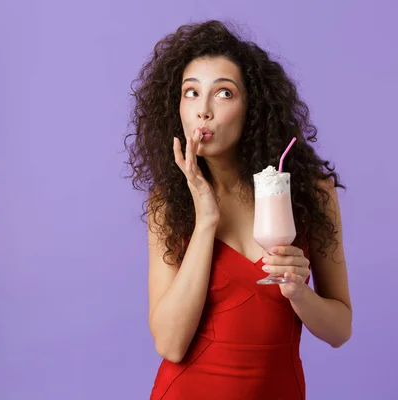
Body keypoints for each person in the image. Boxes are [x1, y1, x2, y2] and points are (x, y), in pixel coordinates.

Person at [125, 19, 352, 400]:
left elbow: (339, 331)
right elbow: (170, 344)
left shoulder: (312, 195)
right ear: (176, 107)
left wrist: (300, 293)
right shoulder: (167, 205)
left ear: (253, 107)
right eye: (191, 93)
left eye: (224, 94)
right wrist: (206, 221)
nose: (204, 111)